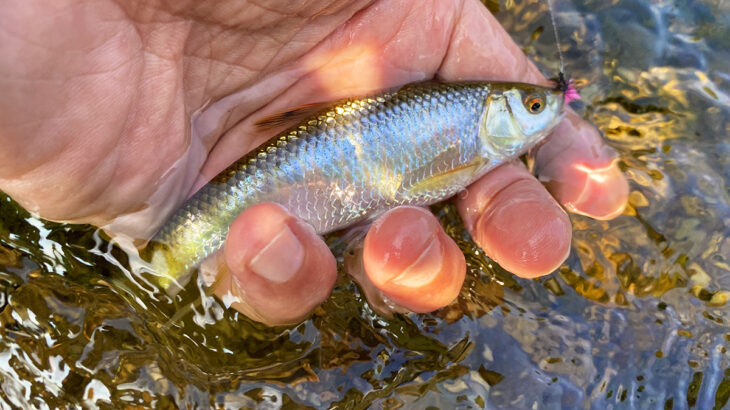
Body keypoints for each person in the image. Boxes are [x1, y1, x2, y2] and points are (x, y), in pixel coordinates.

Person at [0, 0, 628, 325]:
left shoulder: (469, 119)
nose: (543, 108)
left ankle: (149, 278)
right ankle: (153, 275)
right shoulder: (469, 124)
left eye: (539, 105)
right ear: (492, 113)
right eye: (528, 103)